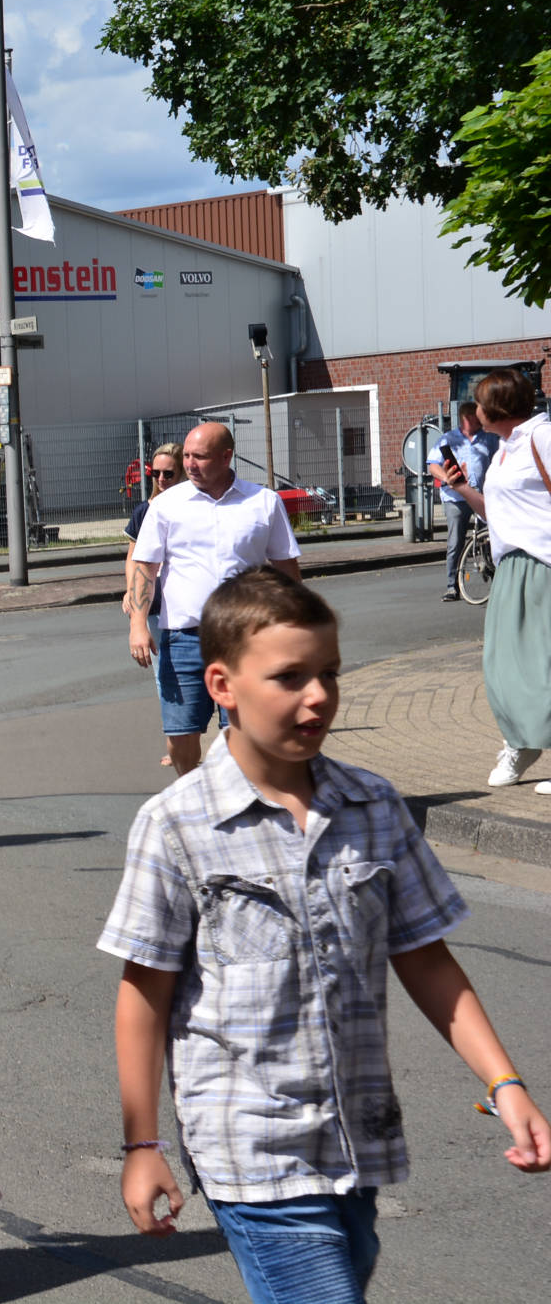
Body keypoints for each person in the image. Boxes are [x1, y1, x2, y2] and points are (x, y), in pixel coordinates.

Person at [99, 567, 550, 1303]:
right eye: (290, 677)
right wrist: (141, 1144)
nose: (318, 696)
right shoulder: (177, 823)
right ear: (222, 685)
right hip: (250, 1147)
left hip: (356, 1141)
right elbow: (143, 992)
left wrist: (507, 1085)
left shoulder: (372, 804)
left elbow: (427, 958)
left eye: (330, 673)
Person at [128, 421, 302, 776]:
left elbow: (286, 569)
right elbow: (145, 568)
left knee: (241, 730)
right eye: (187, 456)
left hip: (246, 639)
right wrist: (137, 625)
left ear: (226, 457)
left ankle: (236, 792)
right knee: (180, 735)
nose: (190, 464)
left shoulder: (263, 502)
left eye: (200, 457)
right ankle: (192, 787)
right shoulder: (167, 505)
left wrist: (295, 626)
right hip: (183, 638)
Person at [435, 367, 551, 792]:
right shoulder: (504, 449)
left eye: (480, 404)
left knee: (544, 662)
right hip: (511, 565)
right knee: (504, 665)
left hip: (543, 561)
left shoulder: (542, 437)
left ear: (497, 407)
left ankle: (529, 743)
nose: (475, 411)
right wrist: (463, 489)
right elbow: (498, 514)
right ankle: (522, 741)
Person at [123, 444, 184, 768]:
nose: (161, 479)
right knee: (165, 676)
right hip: (157, 605)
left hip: (191, 607)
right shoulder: (144, 512)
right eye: (155, 473)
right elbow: (134, 559)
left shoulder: (192, 508)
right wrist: (131, 595)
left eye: (168, 473)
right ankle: (176, 744)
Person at [428, 400, 497, 603]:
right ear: (465, 419)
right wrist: (447, 478)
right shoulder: (448, 439)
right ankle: (452, 586)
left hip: (481, 495)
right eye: (475, 419)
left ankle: (496, 581)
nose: (479, 422)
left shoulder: (489, 438)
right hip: (455, 498)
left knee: (489, 538)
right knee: (455, 541)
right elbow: (433, 465)